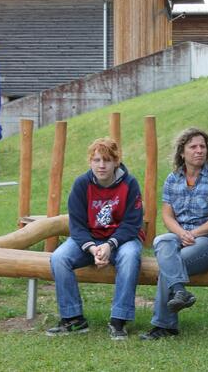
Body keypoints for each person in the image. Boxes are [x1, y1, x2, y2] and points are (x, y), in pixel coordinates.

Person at [47, 138, 144, 340]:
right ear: (90, 162)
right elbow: (77, 225)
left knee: (130, 256)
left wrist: (110, 245)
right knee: (59, 257)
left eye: (107, 160)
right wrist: (92, 248)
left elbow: (132, 223)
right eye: (97, 160)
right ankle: (73, 319)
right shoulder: (81, 184)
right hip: (90, 240)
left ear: (116, 162)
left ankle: (119, 320)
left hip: (121, 241)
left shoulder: (130, 183)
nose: (101, 165)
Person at [140, 128, 208, 340]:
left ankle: (165, 326)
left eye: (202, 146)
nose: (199, 150)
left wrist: (193, 234)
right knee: (161, 240)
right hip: (180, 237)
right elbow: (167, 216)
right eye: (193, 147)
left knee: (170, 265)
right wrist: (182, 233)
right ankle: (180, 292)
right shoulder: (172, 179)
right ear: (182, 152)